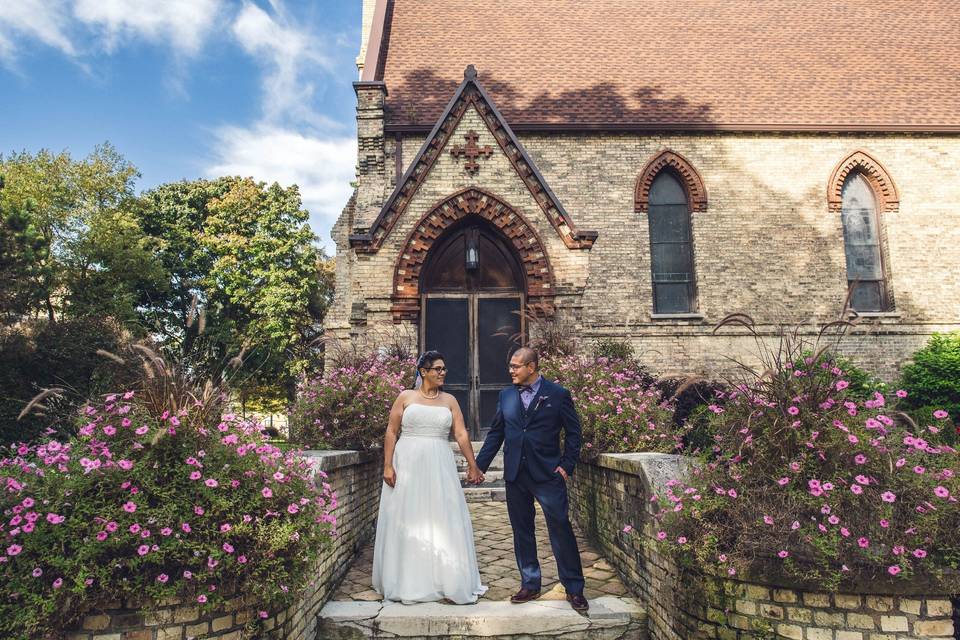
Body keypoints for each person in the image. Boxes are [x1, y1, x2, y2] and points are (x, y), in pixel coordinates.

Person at [473, 346, 588, 612]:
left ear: (531, 367)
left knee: (560, 528)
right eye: (511, 366)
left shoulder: (558, 395)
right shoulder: (506, 396)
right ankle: (530, 583)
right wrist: (479, 467)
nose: (510, 370)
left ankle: (574, 588)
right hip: (515, 475)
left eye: (515, 366)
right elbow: (496, 434)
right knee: (522, 531)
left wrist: (566, 466)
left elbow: (573, 433)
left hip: (548, 474)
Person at [372, 351, 488, 604]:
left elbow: (461, 434)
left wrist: (473, 465)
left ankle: (445, 578)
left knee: (442, 516)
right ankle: (407, 579)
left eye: (444, 368)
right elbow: (392, 432)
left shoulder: (450, 401)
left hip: (439, 464)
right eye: (437, 368)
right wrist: (388, 465)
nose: (442, 372)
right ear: (423, 372)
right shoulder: (405, 397)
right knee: (408, 515)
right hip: (408, 461)